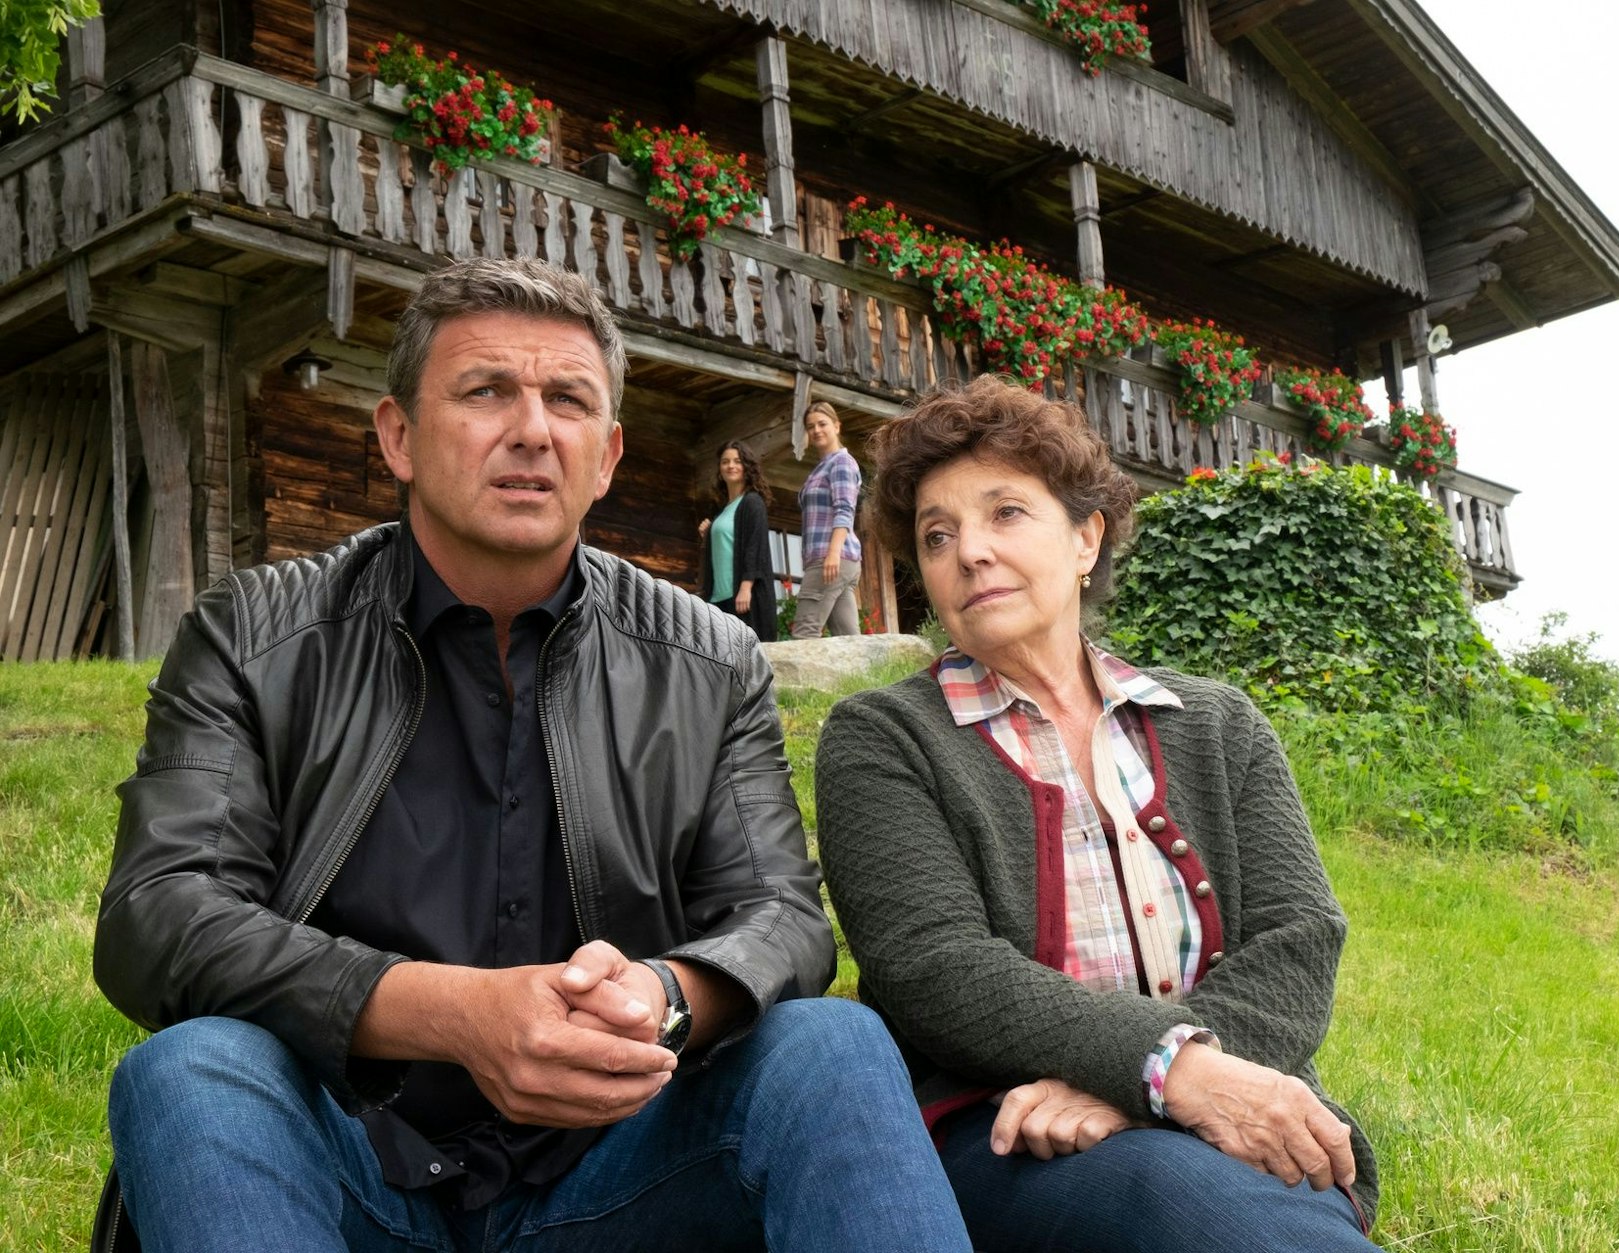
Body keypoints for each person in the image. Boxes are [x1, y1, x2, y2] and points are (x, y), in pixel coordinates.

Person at [91, 258, 972, 1253]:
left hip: (621, 1169)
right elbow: (156, 913)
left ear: (605, 456)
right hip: (345, 1165)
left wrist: (662, 996)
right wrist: (449, 1010)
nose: (531, 429)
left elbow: (779, 917)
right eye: (484, 392)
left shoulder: (711, 658)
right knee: (192, 1069)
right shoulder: (252, 634)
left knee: (832, 1041)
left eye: (567, 400)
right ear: (397, 436)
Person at [815, 375, 1379, 1253]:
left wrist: (1148, 1084)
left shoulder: (1220, 723)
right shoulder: (882, 738)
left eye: (1005, 513)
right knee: (1183, 1203)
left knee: (1238, 1197)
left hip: (1237, 1099)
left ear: (1086, 537)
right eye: (938, 534)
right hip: (1006, 1132)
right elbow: (935, 967)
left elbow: (1298, 937)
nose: (969, 551)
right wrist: (1167, 1070)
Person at [791, 401, 862, 638]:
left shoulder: (841, 462)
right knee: (848, 639)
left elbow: (845, 508)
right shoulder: (821, 468)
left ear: (837, 426)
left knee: (804, 633)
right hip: (835, 559)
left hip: (831, 557)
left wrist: (833, 553)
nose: (816, 430)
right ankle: (864, 675)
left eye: (822, 424)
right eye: (810, 427)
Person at [698, 440, 778, 641]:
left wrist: (746, 587)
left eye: (737, 461)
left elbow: (754, 546)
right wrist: (709, 532)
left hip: (742, 597)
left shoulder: (752, 502)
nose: (731, 466)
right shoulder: (722, 510)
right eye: (725, 462)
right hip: (718, 597)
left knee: (747, 656)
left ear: (747, 467)